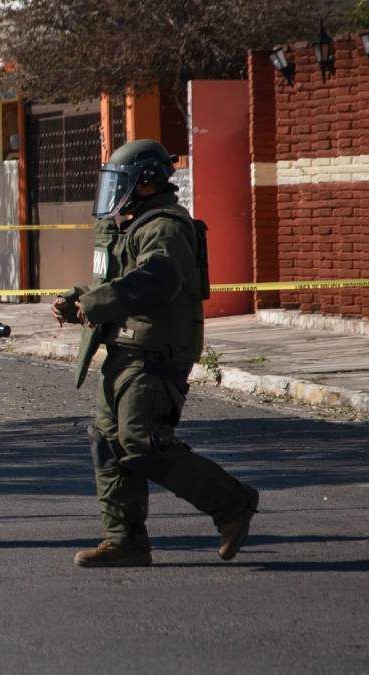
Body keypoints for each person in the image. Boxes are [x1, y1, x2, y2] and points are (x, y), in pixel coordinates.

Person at [53, 139, 259, 567]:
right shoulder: (136, 225)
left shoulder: (165, 227)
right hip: (126, 350)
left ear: (145, 182)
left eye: (121, 182)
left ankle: (231, 504)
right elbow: (120, 283)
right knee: (108, 440)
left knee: (142, 443)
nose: (114, 192)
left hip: (154, 353)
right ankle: (124, 541)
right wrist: (80, 301)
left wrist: (97, 303)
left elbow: (155, 281)